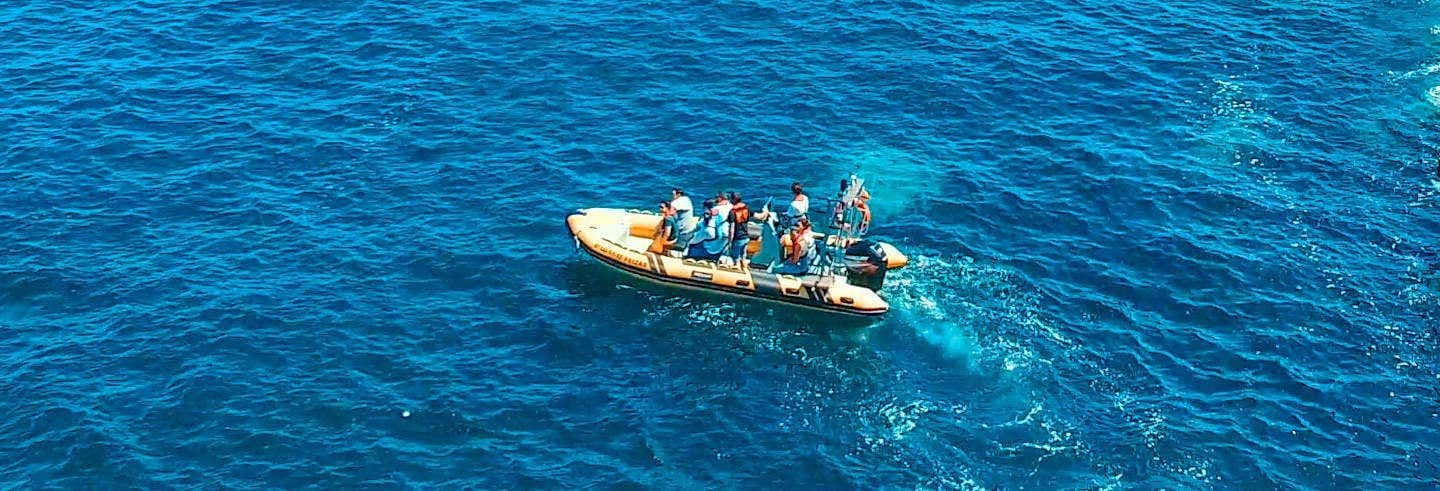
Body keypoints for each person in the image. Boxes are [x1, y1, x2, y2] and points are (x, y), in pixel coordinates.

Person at [726, 192, 753, 266]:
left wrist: (730, 242)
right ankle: (745, 268)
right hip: (746, 237)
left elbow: (732, 229)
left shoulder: (732, 212)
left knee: (736, 258)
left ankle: (737, 269)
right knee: (743, 257)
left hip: (737, 239)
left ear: (733, 200)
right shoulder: (746, 208)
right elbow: (756, 216)